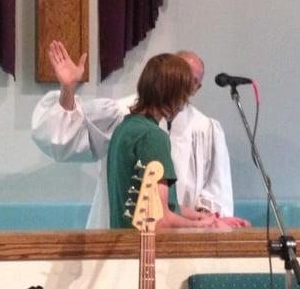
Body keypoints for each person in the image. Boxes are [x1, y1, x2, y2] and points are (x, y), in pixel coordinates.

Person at [32, 40, 237, 229]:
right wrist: (67, 89)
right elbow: (64, 136)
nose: (185, 91)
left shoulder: (204, 128)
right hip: (145, 241)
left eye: (191, 82)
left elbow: (199, 196)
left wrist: (206, 218)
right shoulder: (130, 120)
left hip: (161, 242)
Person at [107, 53, 246, 228]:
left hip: (123, 245)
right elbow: (160, 218)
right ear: (172, 93)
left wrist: (208, 219)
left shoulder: (124, 129)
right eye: (184, 93)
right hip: (145, 248)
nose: (184, 102)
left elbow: (163, 203)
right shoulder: (152, 137)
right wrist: (201, 227)